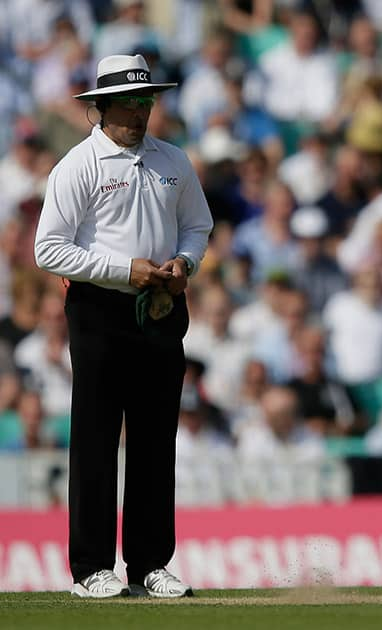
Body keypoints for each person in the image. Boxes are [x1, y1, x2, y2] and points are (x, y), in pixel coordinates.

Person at [33, 54, 213, 598]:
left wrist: (184, 263)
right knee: (95, 436)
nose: (137, 114)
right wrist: (122, 269)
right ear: (100, 109)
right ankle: (91, 566)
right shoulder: (77, 165)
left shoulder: (173, 161)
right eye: (127, 105)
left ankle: (149, 564)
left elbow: (197, 226)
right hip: (100, 311)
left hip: (160, 308)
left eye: (145, 103)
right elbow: (48, 249)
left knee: (156, 438)